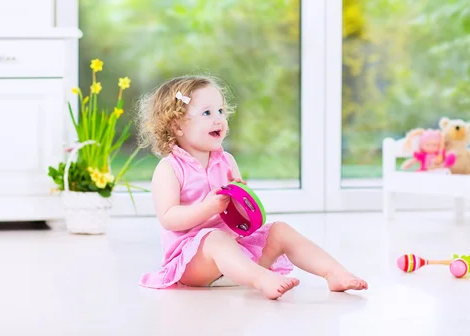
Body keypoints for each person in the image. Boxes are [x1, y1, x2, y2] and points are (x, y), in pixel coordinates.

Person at [136, 75, 368, 299]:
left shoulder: (226, 161)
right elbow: (169, 218)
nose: (218, 119)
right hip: (195, 264)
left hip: (238, 254)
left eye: (221, 111)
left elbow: (242, 222)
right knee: (214, 237)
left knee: (280, 229)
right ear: (177, 126)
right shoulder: (170, 169)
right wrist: (207, 209)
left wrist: (242, 203)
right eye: (207, 113)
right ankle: (261, 279)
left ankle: (333, 272)